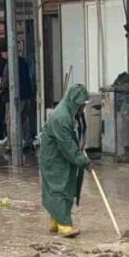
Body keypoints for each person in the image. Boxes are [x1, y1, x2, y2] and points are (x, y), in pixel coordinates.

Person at [38, 84, 91, 238]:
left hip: (59, 157)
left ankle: (55, 221)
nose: (83, 109)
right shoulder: (61, 118)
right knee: (59, 188)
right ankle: (64, 225)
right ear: (75, 102)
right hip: (54, 158)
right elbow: (68, 147)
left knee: (64, 185)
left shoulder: (68, 112)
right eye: (82, 105)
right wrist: (84, 161)